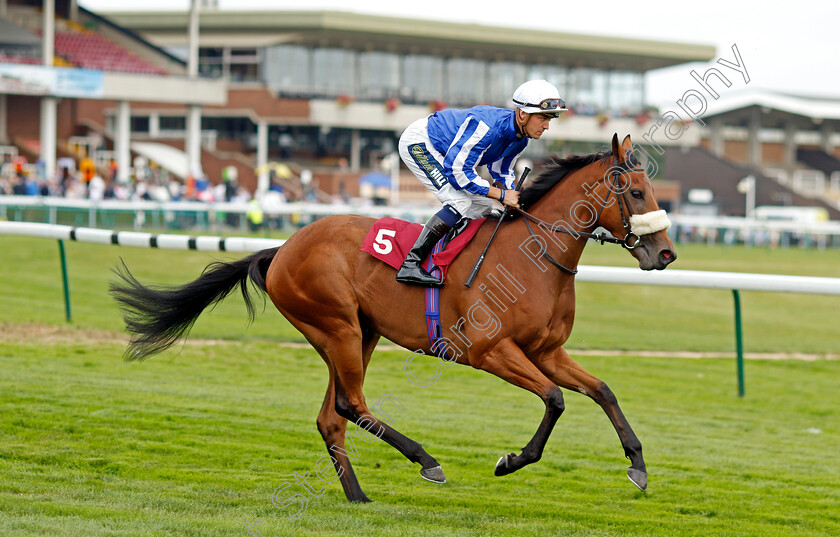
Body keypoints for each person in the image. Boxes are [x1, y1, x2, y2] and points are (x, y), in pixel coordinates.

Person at [395, 79, 567, 286]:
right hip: (421, 142)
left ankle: (455, 261)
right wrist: (502, 195)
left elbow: (501, 171)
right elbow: (457, 172)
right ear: (523, 114)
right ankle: (410, 264)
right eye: (543, 118)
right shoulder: (486, 127)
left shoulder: (521, 139)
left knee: (485, 208)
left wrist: (513, 196)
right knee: (459, 201)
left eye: (551, 119)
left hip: (447, 155)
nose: (547, 126)